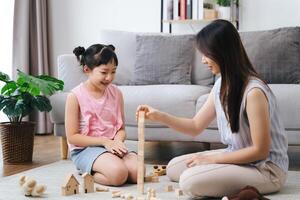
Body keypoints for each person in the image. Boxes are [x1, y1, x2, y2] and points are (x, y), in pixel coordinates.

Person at [136, 19, 288, 198]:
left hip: (266, 168)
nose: (203, 60)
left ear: (222, 53)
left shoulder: (253, 92)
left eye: (206, 54)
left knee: (188, 181)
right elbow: (195, 126)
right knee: (174, 168)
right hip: (239, 156)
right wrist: (159, 116)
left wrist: (212, 159)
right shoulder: (221, 85)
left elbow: (260, 151)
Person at [66, 44, 138, 186]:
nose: (109, 77)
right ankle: (87, 171)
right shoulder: (74, 97)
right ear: (87, 69)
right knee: (119, 174)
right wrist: (105, 141)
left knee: (138, 173)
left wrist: (117, 142)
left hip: (112, 146)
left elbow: (121, 129)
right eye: (104, 72)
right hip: (85, 149)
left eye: (113, 72)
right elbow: (72, 137)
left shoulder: (116, 93)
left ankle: (109, 164)